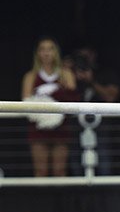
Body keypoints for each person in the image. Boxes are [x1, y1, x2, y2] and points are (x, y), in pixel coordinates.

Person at [21, 36, 79, 177]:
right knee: (41, 172)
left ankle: (61, 199)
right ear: (37, 53)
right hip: (38, 130)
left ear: (56, 52)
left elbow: (74, 100)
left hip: (61, 130)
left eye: (50, 49)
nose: (46, 53)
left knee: (60, 171)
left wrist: (57, 91)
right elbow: (26, 104)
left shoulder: (66, 74)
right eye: (42, 49)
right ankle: (41, 200)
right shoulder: (31, 76)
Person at [66, 46, 120, 175]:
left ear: (94, 55)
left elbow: (111, 97)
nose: (84, 59)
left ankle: (105, 194)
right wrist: (66, 73)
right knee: (75, 164)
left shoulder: (105, 72)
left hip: (101, 128)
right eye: (80, 56)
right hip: (74, 127)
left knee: (103, 163)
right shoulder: (69, 74)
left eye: (87, 54)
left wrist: (92, 81)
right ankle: (77, 194)